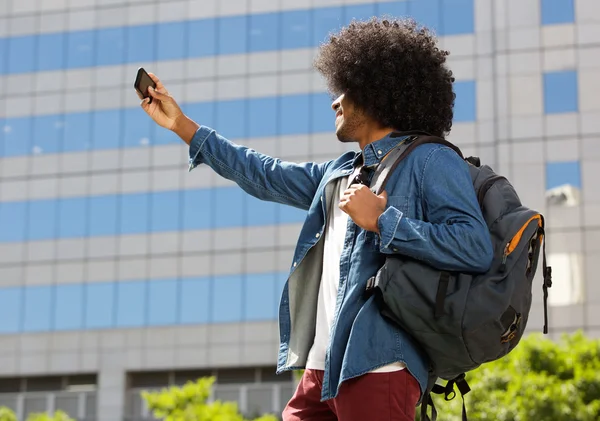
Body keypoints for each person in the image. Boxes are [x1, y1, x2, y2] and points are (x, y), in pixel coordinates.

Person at [140, 17, 493, 421]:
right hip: (322, 368)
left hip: (378, 365)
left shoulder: (431, 159)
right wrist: (181, 125)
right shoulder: (339, 174)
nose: (334, 101)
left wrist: (383, 221)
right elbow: (263, 173)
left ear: (380, 90)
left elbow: (474, 246)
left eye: (345, 88)